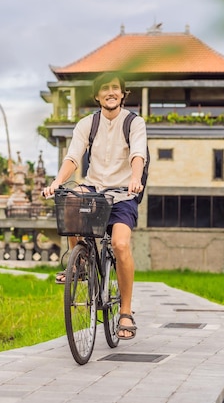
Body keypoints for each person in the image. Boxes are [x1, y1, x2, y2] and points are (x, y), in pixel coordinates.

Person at [43, 72, 147, 340]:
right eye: (105, 88)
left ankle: (125, 312)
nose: (111, 92)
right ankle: (79, 264)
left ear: (123, 94)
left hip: (124, 192)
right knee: (70, 199)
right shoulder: (87, 124)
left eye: (116, 88)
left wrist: (135, 179)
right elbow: (73, 157)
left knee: (121, 244)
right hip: (94, 187)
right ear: (97, 95)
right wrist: (57, 181)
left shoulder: (134, 123)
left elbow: (138, 154)